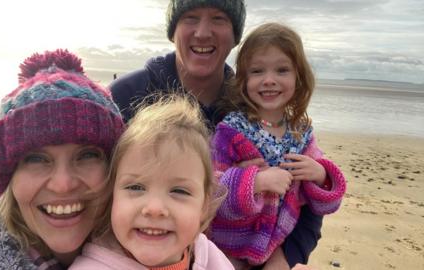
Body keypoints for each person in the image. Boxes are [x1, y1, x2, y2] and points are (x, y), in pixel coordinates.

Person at [110, 0, 324, 267]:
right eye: (190, 17)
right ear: (173, 30)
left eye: (218, 19)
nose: (202, 32)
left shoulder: (258, 105)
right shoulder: (126, 95)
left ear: (235, 35)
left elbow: (305, 194)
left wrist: (283, 259)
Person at [0, 49, 125, 269]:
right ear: (8, 178)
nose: (62, 185)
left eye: (87, 155)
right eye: (36, 159)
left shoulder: (161, 251)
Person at [209, 23, 347, 269]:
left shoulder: (301, 135)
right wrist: (256, 182)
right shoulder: (231, 131)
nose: (269, 80)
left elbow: (325, 205)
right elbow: (209, 190)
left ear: (298, 77)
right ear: (243, 79)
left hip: (274, 248)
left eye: (282, 70)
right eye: (257, 71)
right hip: (225, 246)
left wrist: (321, 175)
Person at [70, 96, 234, 269]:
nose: (154, 209)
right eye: (136, 187)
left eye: (179, 191)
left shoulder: (211, 258)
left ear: (204, 205)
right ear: (112, 196)